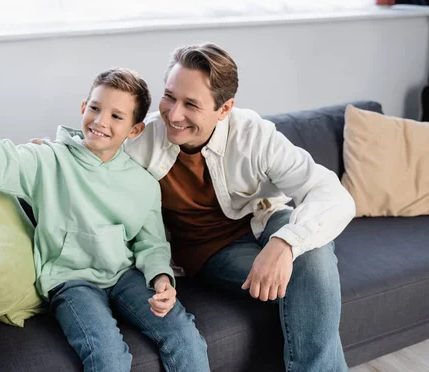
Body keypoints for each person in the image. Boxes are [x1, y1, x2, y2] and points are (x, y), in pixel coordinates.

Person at [0, 68, 210, 372]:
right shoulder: (47, 159)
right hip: (71, 280)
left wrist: (161, 279)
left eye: (117, 116)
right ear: (83, 108)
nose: (101, 121)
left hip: (125, 275)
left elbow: (152, 243)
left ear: (134, 129)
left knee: (186, 338)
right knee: (109, 357)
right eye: (95, 108)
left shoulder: (143, 184)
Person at [122, 43, 355, 372]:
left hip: (267, 221)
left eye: (191, 104)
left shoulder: (253, 134)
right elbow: (93, 144)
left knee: (311, 254)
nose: (173, 114)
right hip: (211, 251)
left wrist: (286, 242)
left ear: (224, 108)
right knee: (311, 280)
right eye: (169, 96)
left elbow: (330, 192)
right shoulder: (141, 141)